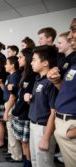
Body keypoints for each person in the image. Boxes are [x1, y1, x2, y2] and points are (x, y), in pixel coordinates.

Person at [47, 18, 76, 167]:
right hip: (64, 123)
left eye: (74, 31)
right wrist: (57, 81)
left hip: (71, 127)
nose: (71, 36)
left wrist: (70, 132)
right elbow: (68, 91)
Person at [24, 45, 58, 167]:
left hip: (43, 129)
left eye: (34, 60)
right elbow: (39, 104)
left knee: (44, 163)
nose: (31, 62)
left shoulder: (51, 82)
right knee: (35, 161)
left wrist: (45, 138)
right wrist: (28, 99)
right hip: (34, 125)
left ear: (45, 63)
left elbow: (54, 112)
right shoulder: (38, 79)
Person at [11, 48, 36, 167]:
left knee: (26, 143)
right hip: (20, 112)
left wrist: (14, 111)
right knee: (22, 142)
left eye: (20, 57)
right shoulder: (23, 74)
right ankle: (25, 163)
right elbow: (21, 93)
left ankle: (28, 165)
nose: (18, 59)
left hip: (25, 114)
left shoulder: (32, 76)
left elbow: (26, 97)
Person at [0, 56, 22, 162]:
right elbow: (6, 91)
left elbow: (13, 95)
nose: (5, 66)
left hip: (11, 104)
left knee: (11, 130)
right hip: (7, 102)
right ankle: (11, 151)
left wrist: (7, 111)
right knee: (9, 128)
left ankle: (16, 156)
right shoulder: (9, 76)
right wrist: (1, 84)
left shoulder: (16, 76)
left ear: (12, 65)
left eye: (6, 63)